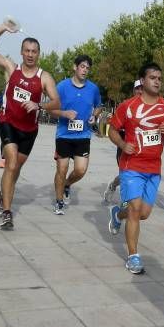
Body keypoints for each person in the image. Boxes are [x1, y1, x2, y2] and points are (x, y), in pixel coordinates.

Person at [0, 22, 60, 230]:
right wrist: (3, 28)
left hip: (29, 131)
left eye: (34, 51)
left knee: (14, 170)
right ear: (21, 52)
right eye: (27, 51)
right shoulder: (11, 68)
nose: (30, 55)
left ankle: (2, 195)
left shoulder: (44, 77)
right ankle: (7, 213)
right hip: (8, 123)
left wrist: (38, 104)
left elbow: (56, 102)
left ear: (39, 54)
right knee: (12, 163)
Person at [107, 63, 164, 274]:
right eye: (153, 77)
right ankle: (133, 256)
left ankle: (117, 214)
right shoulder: (128, 106)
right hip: (131, 167)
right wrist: (122, 145)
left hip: (153, 169)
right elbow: (112, 130)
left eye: (159, 78)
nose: (157, 81)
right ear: (142, 80)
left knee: (144, 214)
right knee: (136, 209)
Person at [52, 55, 102, 215]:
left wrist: (95, 115)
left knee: (80, 170)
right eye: (82, 67)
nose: (85, 70)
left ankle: (67, 184)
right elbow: (51, 110)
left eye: (87, 68)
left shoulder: (93, 88)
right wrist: (64, 113)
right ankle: (59, 201)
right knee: (62, 168)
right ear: (75, 67)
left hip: (83, 135)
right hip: (64, 135)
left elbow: (98, 106)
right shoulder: (61, 86)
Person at [102, 79, 143, 203]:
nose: (140, 91)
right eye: (138, 88)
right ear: (133, 90)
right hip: (124, 146)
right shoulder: (125, 105)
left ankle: (131, 200)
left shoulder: (150, 107)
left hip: (142, 148)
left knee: (136, 175)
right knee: (126, 174)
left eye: (142, 88)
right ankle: (114, 187)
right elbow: (113, 126)